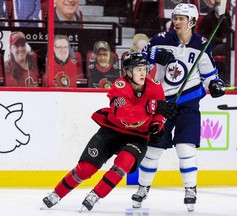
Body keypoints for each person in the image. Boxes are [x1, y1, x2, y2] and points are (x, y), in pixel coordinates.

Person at [41, 52, 177, 212]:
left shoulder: (154, 86)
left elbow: (159, 114)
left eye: (144, 69)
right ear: (128, 72)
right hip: (112, 131)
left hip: (137, 136)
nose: (143, 73)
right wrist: (151, 107)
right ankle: (56, 194)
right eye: (138, 69)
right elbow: (126, 115)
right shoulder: (119, 87)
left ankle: (95, 195)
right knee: (85, 168)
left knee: (123, 163)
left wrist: (156, 126)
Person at [131, 3, 226, 212]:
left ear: (192, 22)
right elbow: (140, 56)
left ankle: (190, 189)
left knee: (185, 148)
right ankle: (143, 187)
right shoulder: (161, 40)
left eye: (182, 19)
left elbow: (209, 75)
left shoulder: (201, 44)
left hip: (189, 103)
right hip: (163, 104)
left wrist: (216, 85)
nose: (177, 22)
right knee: (154, 150)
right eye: (175, 18)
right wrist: (154, 55)